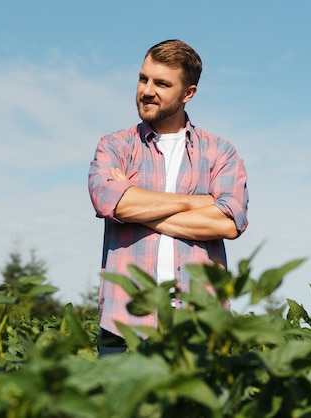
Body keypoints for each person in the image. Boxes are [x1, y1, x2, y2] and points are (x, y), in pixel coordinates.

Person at [88, 39, 249, 356]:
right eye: (143, 78)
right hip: (123, 325)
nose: (147, 90)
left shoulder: (220, 152)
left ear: (188, 93)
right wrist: (198, 201)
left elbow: (229, 222)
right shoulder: (115, 146)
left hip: (198, 325)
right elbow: (110, 201)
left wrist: (138, 205)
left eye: (162, 83)